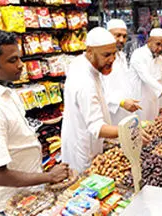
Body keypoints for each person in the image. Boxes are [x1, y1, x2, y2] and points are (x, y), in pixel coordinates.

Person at [0, 29, 69, 213]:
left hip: (27, 196)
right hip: (9, 204)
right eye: (12, 60)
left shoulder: (8, 92)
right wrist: (48, 177)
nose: (21, 65)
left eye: (20, 58)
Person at [61, 27, 150, 173]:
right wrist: (131, 132)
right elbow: (97, 127)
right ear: (89, 52)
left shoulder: (86, 64)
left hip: (89, 141)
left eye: (114, 53)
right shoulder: (84, 81)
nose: (112, 59)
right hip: (83, 147)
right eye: (106, 55)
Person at [129, 28, 162, 121]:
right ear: (149, 41)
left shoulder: (160, 59)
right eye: (158, 44)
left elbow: (161, 80)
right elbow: (146, 77)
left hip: (154, 104)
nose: (160, 48)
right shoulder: (138, 54)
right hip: (140, 102)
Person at [101, 19, 141, 125]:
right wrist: (120, 102)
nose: (122, 40)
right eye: (117, 35)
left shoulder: (121, 56)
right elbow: (100, 93)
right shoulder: (100, 61)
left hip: (126, 114)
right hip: (111, 116)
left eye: (124, 36)